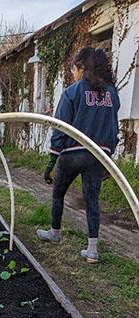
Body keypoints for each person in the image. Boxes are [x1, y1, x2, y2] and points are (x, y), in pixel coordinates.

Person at [37, 47, 120, 264]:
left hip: (72, 154)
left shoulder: (72, 92)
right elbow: (113, 128)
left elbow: (60, 127)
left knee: (58, 194)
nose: (73, 72)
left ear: (82, 67)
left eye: (75, 68)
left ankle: (54, 233)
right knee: (92, 200)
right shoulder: (111, 94)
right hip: (97, 155)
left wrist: (51, 162)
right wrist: (109, 158)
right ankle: (92, 250)